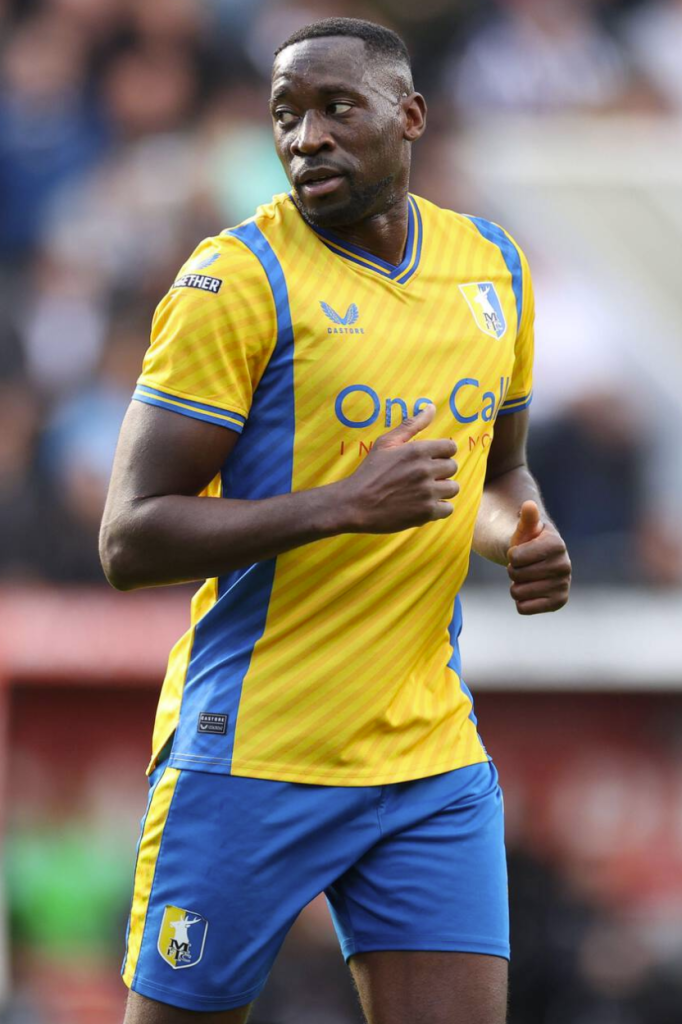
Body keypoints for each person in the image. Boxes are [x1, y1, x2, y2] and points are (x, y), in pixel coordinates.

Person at [100, 17, 571, 1024]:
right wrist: (342, 507)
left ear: (409, 119)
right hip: (253, 749)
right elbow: (128, 538)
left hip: (425, 752)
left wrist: (520, 533)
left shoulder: (491, 268)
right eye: (284, 114)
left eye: (334, 107)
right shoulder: (234, 279)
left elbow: (498, 472)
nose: (304, 135)